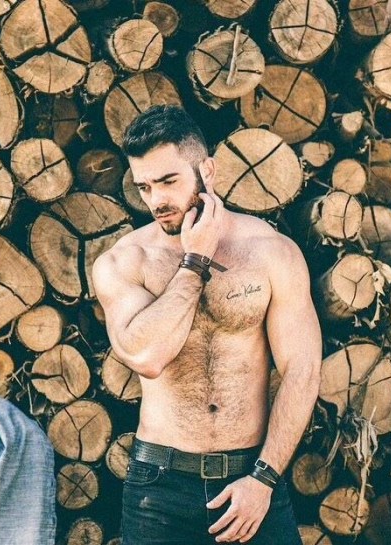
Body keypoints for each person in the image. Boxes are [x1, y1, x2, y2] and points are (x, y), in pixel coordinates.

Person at [92, 105, 322, 544]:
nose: (157, 201)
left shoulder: (271, 252)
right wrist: (195, 259)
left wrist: (264, 479)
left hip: (252, 476)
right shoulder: (126, 261)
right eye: (144, 187)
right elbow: (148, 357)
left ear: (207, 171)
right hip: (159, 487)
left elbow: (303, 370)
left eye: (168, 181)